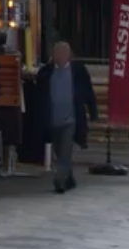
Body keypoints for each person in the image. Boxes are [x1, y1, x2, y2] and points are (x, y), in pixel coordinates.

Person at [36, 40, 98, 193]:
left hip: (70, 119)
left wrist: (93, 112)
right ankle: (69, 177)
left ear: (69, 55)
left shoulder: (78, 71)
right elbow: (39, 96)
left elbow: (88, 92)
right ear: (53, 55)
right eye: (58, 53)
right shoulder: (46, 72)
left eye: (64, 53)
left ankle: (59, 181)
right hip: (52, 120)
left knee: (65, 150)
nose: (61, 56)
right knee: (58, 150)